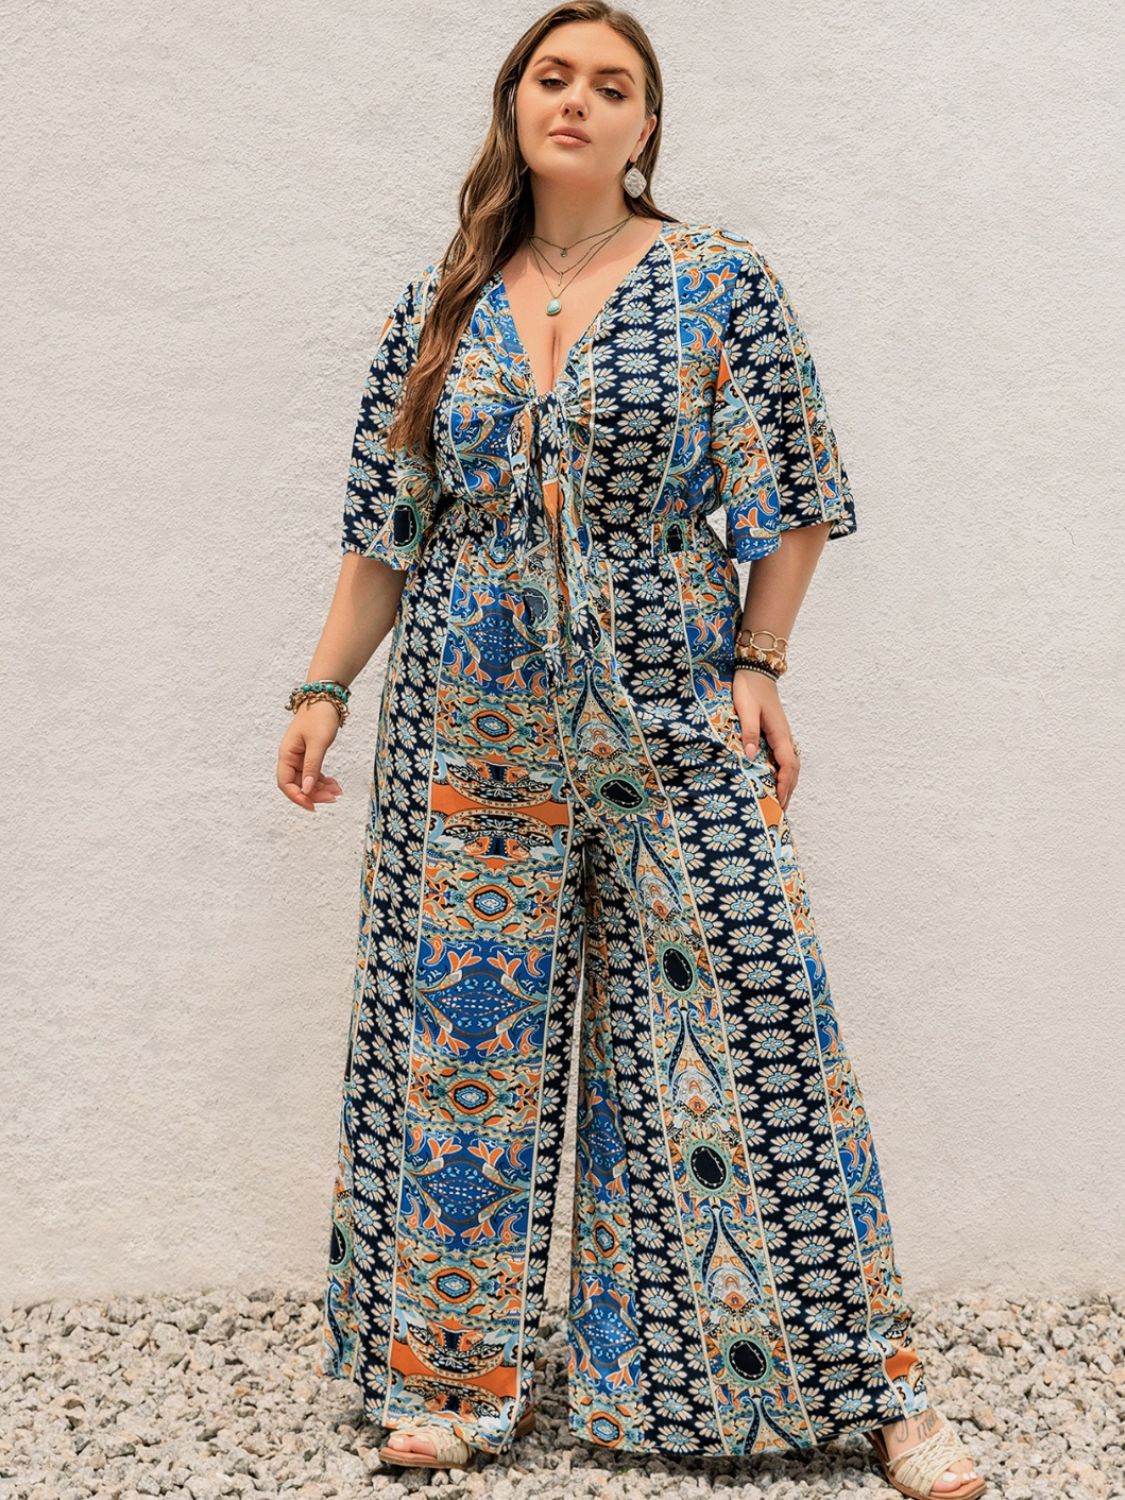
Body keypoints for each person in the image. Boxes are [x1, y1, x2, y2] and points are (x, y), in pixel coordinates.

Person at [277, 5, 987, 1496]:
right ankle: (449, 1383)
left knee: (751, 1023)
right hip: (467, 708)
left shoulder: (719, 281)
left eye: (612, 86)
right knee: (459, 1045)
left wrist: (759, 663)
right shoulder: (444, 301)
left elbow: (793, 489)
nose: (579, 102)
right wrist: (324, 686)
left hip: (672, 694)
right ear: (514, 101)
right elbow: (385, 527)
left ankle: (866, 1388)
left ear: (645, 124)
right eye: (555, 77)